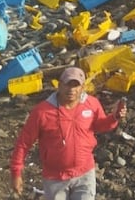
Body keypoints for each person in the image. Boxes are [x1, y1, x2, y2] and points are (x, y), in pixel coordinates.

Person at [10, 67, 127, 199]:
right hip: (55, 178)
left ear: (82, 87)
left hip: (85, 173)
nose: (71, 90)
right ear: (59, 85)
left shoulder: (91, 104)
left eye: (76, 85)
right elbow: (23, 143)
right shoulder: (42, 112)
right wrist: (16, 172)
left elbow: (100, 125)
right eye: (67, 84)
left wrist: (114, 117)